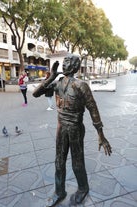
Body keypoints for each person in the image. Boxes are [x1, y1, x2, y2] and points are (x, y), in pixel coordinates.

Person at [32, 54, 112, 207]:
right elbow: (35, 93)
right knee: (59, 161)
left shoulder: (81, 85)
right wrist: (51, 76)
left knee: (77, 162)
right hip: (61, 127)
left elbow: (93, 108)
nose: (65, 64)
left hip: (75, 127)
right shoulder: (57, 83)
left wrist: (100, 134)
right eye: (65, 61)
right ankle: (59, 191)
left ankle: (83, 188)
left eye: (68, 62)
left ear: (75, 67)